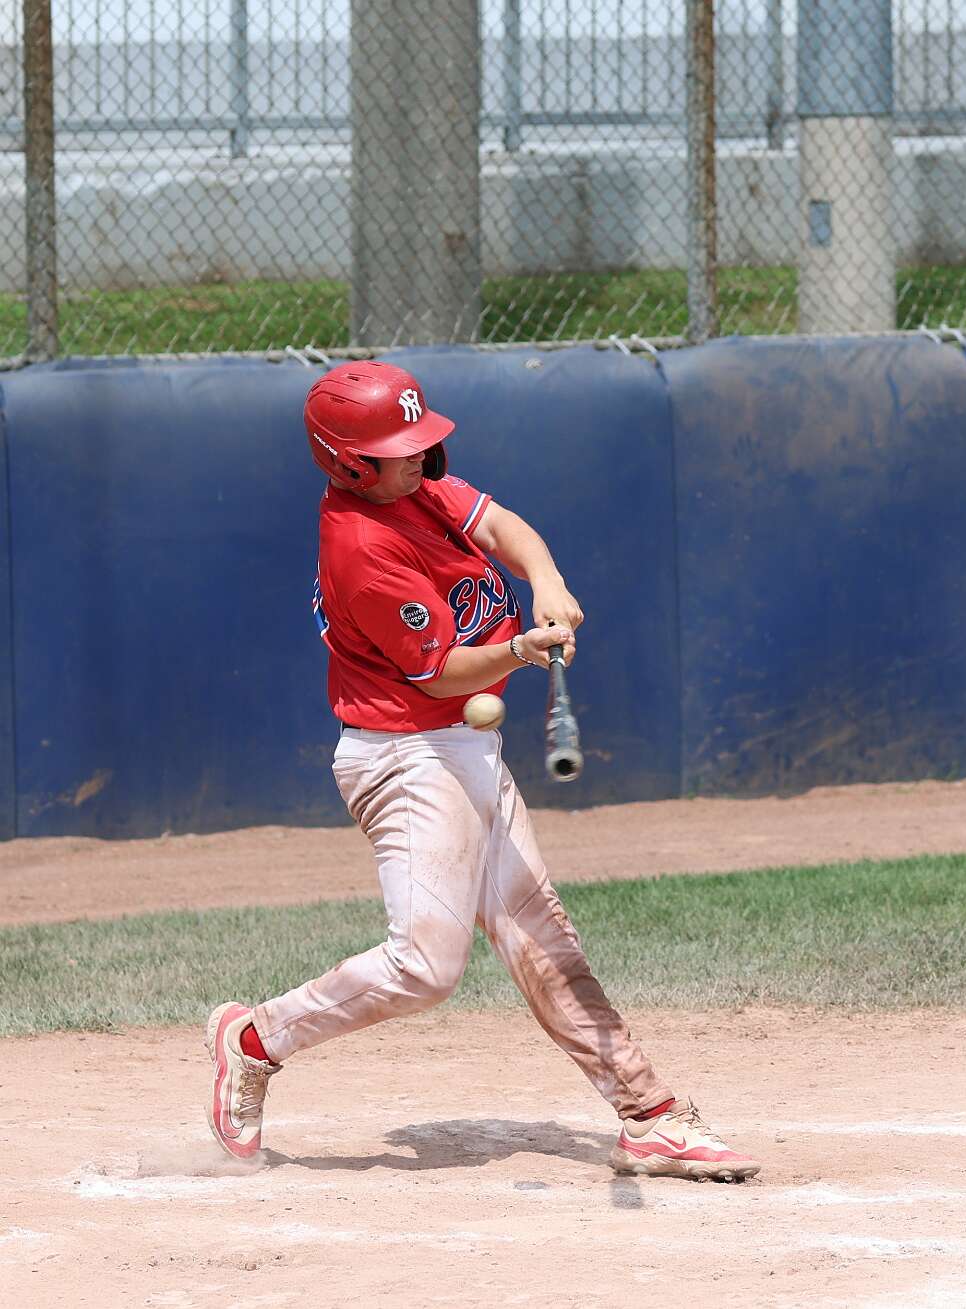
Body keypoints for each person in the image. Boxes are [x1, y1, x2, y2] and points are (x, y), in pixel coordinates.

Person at [204, 360, 758, 1183]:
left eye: (420, 443)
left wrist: (547, 580)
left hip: (461, 746)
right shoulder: (362, 544)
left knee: (542, 936)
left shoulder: (418, 488)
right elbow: (438, 676)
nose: (420, 458)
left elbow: (501, 527)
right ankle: (254, 1038)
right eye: (399, 450)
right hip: (406, 756)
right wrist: (522, 651)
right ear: (349, 463)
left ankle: (650, 1115)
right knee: (426, 968)